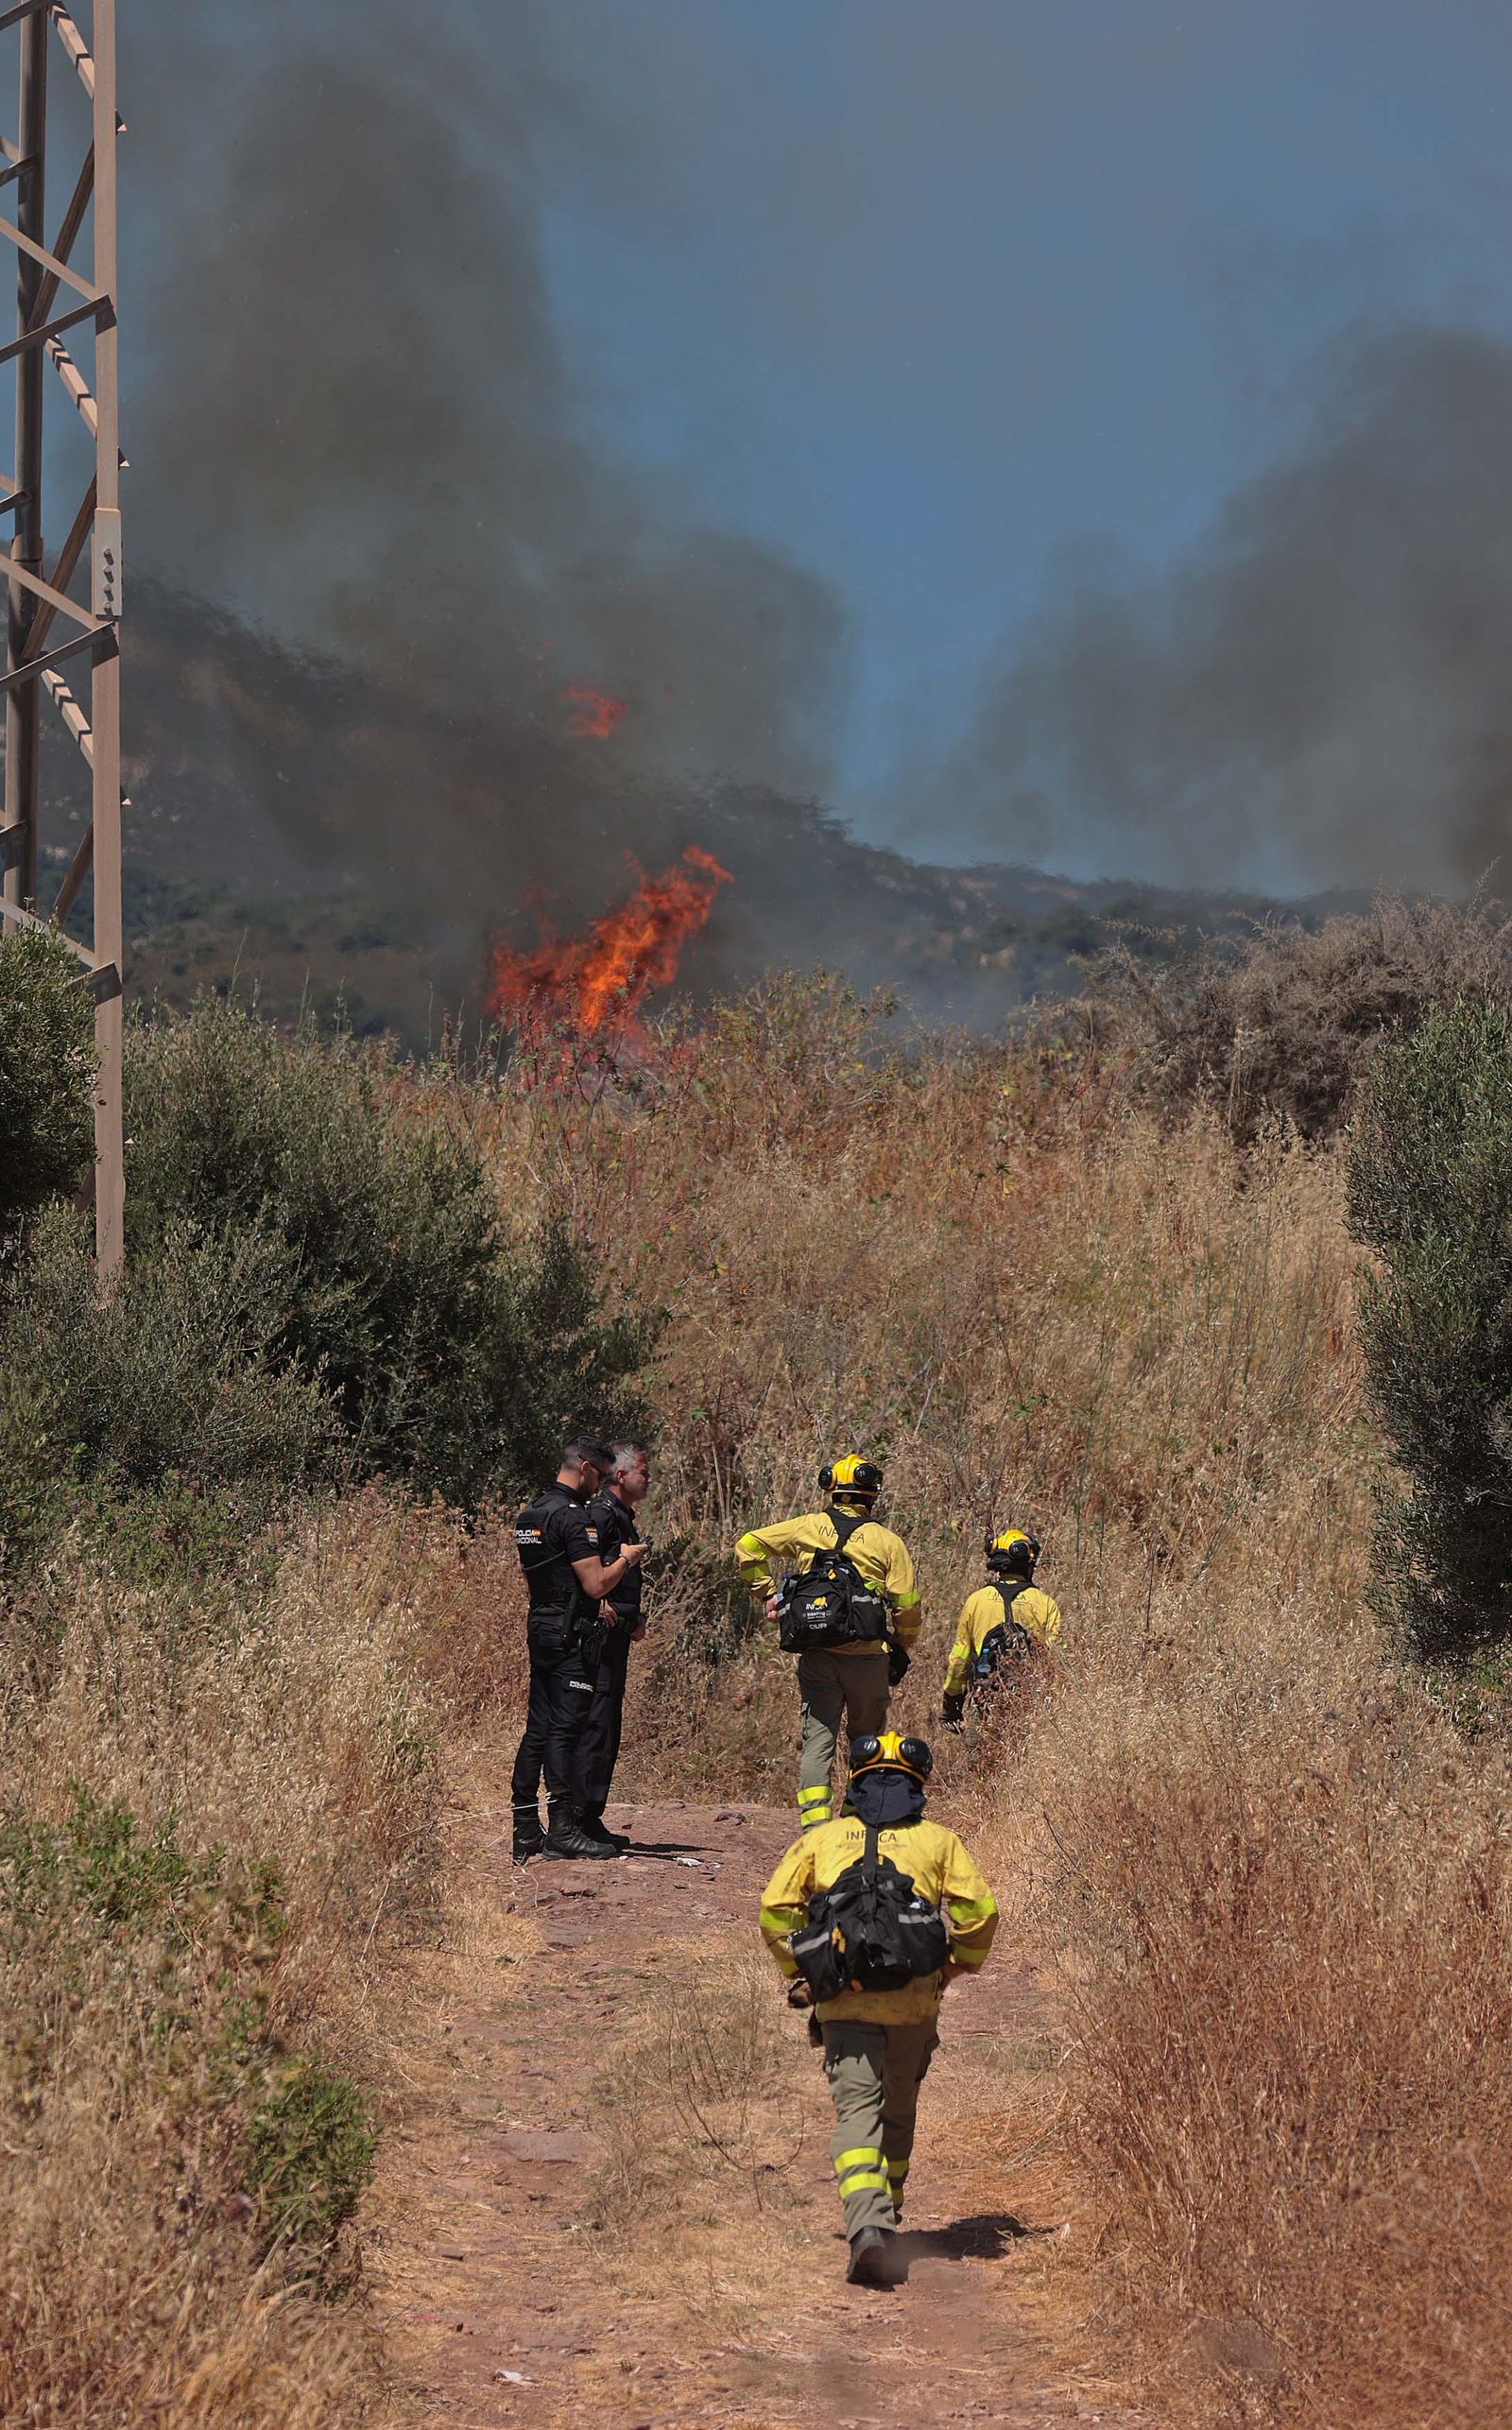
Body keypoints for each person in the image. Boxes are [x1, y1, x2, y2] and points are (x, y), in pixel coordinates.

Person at [758, 1731, 998, 2285]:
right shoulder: (940, 1842)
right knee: (898, 2112)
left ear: (856, 1784)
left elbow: (775, 1911)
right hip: (914, 2007)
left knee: (855, 2116)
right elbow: (980, 1916)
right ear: (919, 1787)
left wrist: (805, 1974)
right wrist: (951, 1969)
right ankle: (885, 2218)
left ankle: (866, 2226)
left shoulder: (822, 1839)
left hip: (844, 2004)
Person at [735, 1455, 923, 1836]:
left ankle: (815, 1829)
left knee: (817, 1742)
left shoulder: (807, 1527)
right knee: (868, 1742)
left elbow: (748, 1546)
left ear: (830, 1489)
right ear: (872, 1495)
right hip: (868, 1660)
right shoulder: (888, 1542)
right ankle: (855, 1821)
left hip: (817, 1656)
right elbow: (907, 1605)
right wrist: (902, 1646)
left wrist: (768, 1595)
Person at [509, 1435, 647, 1863]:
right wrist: (626, 1559)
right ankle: (562, 1830)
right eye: (601, 1474)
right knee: (566, 1730)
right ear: (585, 1467)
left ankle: (525, 1827)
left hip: (541, 1625)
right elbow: (595, 1584)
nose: (602, 1484)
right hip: (571, 1633)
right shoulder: (573, 1518)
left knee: (537, 1729)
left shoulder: (530, 1514)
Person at [576, 1440, 653, 1851]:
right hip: (597, 1642)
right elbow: (586, 1573)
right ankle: (578, 1819)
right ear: (621, 1475)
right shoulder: (601, 1514)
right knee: (595, 1724)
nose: (649, 1477)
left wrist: (631, 1616)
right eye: (644, 1469)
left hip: (617, 1636)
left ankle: (591, 1817)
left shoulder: (622, 1516)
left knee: (607, 1726)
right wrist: (600, 1606)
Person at [941, 1526, 1061, 1730]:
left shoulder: (976, 1601)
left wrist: (952, 1705)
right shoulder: (1045, 1604)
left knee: (980, 1757)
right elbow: (1057, 1659)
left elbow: (960, 1658)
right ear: (1028, 1565)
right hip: (1029, 1711)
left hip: (984, 1703)